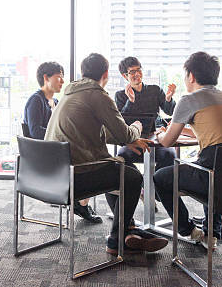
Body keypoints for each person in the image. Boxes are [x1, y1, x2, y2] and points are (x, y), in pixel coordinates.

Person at [45, 53, 169, 255]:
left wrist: (128, 139)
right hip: (76, 177)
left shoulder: (70, 93)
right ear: (106, 73)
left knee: (116, 167)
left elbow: (95, 131)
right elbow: (124, 132)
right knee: (130, 176)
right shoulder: (97, 95)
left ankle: (128, 230)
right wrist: (136, 129)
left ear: (83, 72)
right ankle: (116, 239)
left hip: (51, 177)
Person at [153, 52, 222, 250]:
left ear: (191, 76)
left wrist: (159, 134)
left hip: (213, 177)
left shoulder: (189, 99)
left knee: (160, 178)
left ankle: (187, 230)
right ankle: (212, 234)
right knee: (210, 166)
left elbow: (167, 142)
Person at [23, 61, 101, 224]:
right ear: (46, 78)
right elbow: (36, 132)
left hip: (56, 153)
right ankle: (81, 203)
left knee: (91, 154)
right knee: (88, 158)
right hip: (43, 157)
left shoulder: (57, 102)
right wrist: (63, 137)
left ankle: (81, 201)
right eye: (59, 77)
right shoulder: (35, 101)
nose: (63, 81)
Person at [115, 56, 177, 172]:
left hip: (156, 139)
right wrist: (130, 101)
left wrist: (168, 99)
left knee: (170, 155)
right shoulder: (120, 95)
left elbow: (171, 111)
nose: (137, 74)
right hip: (134, 140)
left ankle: (156, 183)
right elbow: (121, 121)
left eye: (139, 70)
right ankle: (141, 182)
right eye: (132, 72)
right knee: (122, 157)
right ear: (125, 76)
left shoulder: (155, 90)